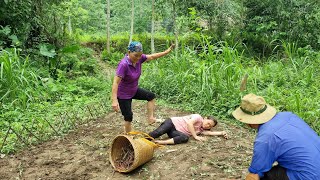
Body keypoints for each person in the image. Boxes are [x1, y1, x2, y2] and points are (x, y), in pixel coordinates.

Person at [232, 93, 320, 180]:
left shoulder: (265, 139)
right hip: (314, 166)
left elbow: (254, 176)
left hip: (308, 176)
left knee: (264, 177)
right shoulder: (289, 116)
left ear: (248, 121)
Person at [111, 41, 175, 133]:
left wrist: (166, 52)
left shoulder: (140, 58)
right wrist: (114, 100)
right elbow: (116, 83)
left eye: (140, 55)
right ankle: (129, 136)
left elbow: (152, 56)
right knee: (128, 117)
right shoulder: (123, 64)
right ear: (129, 52)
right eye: (135, 55)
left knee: (151, 96)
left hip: (133, 90)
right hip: (123, 95)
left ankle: (151, 118)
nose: (138, 58)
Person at [148, 114, 228, 145]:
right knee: (157, 133)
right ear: (205, 118)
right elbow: (190, 123)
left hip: (174, 132)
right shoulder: (198, 117)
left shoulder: (201, 130)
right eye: (208, 123)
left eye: (210, 126)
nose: (208, 126)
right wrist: (195, 136)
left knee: (185, 138)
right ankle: (142, 139)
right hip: (171, 123)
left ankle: (161, 142)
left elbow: (209, 133)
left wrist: (222, 133)